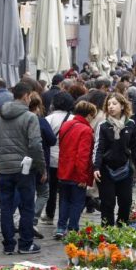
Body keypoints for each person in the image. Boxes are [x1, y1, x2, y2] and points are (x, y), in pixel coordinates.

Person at [0, 79, 45, 255]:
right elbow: (36, 145)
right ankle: (25, 243)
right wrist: (42, 168)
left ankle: (8, 245)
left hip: (5, 168)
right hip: (25, 169)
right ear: (26, 96)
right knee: (27, 206)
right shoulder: (30, 117)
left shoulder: (0, 118)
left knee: (6, 208)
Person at [93, 93, 136, 226]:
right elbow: (98, 148)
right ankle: (107, 231)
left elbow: (135, 146)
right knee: (107, 203)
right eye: (109, 104)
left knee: (126, 201)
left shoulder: (130, 124)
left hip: (125, 168)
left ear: (122, 106)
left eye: (114, 104)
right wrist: (96, 167)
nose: (111, 107)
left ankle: (122, 227)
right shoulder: (103, 125)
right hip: (106, 170)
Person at [55, 101, 96, 237]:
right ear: (89, 115)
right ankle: (73, 228)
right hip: (77, 172)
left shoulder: (66, 125)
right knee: (77, 202)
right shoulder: (86, 130)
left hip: (63, 169)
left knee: (64, 200)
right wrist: (83, 177)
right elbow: (83, 156)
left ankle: (60, 228)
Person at [44, 91, 75, 227]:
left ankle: (49, 214)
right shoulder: (73, 119)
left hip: (50, 158)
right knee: (64, 191)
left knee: (51, 189)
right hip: (66, 159)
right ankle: (63, 218)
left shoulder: (48, 119)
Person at [30, 94, 56, 240]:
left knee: (25, 194)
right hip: (41, 162)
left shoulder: (19, 120)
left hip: (23, 163)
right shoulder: (41, 121)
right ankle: (31, 220)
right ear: (38, 107)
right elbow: (52, 140)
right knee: (43, 192)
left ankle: (24, 220)